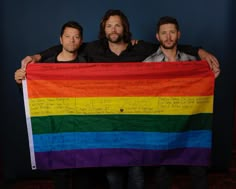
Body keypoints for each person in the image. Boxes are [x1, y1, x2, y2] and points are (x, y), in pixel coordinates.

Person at [17, 10, 220, 189]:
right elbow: (66, 47)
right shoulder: (93, 49)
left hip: (134, 127)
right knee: (113, 179)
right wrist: (36, 58)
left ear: (124, 28)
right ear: (103, 29)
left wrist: (201, 52)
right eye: (109, 25)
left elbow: (169, 45)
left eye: (117, 25)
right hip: (106, 127)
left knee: (137, 177)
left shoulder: (140, 49)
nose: (113, 29)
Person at [15, 21, 93, 189]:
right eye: (67, 36)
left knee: (84, 180)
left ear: (81, 41)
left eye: (76, 37)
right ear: (60, 39)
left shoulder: (88, 64)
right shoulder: (44, 67)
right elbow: (34, 98)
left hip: (82, 132)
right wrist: (21, 83)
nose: (72, 40)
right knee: (60, 180)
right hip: (57, 132)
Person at [143, 16, 212, 189]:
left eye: (172, 32)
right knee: (162, 175)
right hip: (162, 129)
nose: (168, 37)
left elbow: (204, 84)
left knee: (198, 171)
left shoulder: (193, 62)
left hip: (189, 127)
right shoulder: (147, 64)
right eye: (164, 33)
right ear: (157, 36)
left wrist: (210, 77)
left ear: (178, 34)